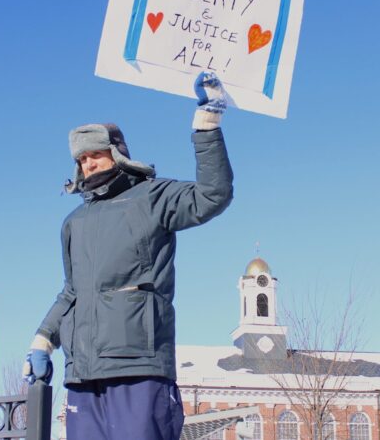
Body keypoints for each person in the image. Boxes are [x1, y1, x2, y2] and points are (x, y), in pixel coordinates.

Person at [23, 71, 234, 440]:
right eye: (82, 158)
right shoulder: (74, 222)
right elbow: (72, 291)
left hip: (138, 366)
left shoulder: (153, 197)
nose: (89, 164)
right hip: (83, 375)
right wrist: (42, 339)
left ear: (117, 153)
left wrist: (207, 122)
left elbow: (212, 195)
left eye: (96, 154)